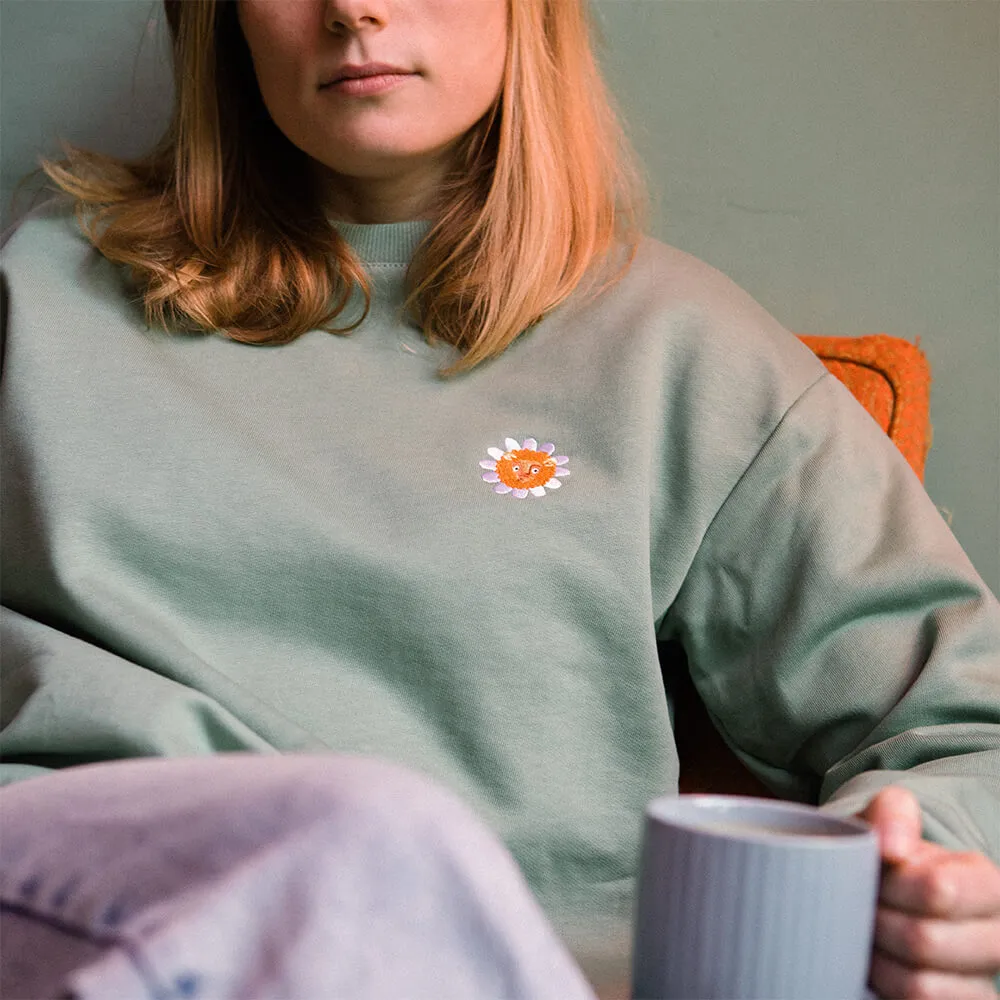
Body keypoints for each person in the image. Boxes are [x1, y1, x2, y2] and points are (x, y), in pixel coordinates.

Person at [1, 1, 998, 997]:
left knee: (378, 837)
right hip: (74, 904)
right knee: (357, 829)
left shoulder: (682, 356)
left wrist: (916, 877)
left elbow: (965, 727)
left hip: (491, 962)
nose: (354, 9)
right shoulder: (39, 294)